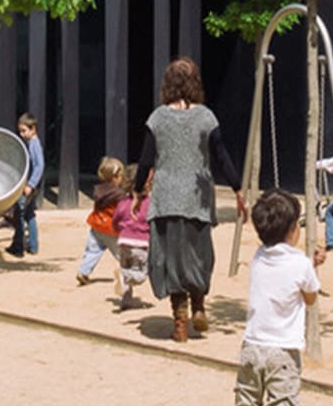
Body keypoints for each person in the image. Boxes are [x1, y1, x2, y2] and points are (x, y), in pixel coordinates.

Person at [217, 187, 323, 406]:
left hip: (252, 347)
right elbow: (310, 297)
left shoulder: (258, 257)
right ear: (293, 230)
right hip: (283, 353)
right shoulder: (301, 264)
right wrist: (314, 265)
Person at [135, 55, 247, 342]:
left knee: (170, 258)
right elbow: (222, 157)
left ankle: (180, 322)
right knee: (199, 255)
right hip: (197, 199)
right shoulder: (206, 117)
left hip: (166, 198)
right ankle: (198, 303)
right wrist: (237, 189)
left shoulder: (158, 117)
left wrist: (137, 191)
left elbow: (146, 159)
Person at [76, 155, 125, 285]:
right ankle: (127, 273)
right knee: (121, 254)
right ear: (115, 178)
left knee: (92, 251)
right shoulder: (119, 195)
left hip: (96, 225)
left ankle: (83, 271)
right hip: (111, 228)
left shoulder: (98, 190)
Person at [112, 166, 151, 311]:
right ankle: (125, 275)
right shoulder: (148, 203)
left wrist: (118, 231)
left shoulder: (123, 203)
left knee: (127, 266)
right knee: (141, 274)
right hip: (141, 243)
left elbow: (115, 220)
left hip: (123, 242)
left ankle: (126, 299)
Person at [8, 112, 44, 257]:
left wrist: (30, 184)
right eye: (20, 131)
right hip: (31, 185)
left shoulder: (34, 144)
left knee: (19, 214)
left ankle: (18, 247)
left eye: (24, 131)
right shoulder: (30, 143)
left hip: (30, 186)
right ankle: (33, 246)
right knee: (29, 214)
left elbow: (39, 165)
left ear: (33, 129)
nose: (22, 134)